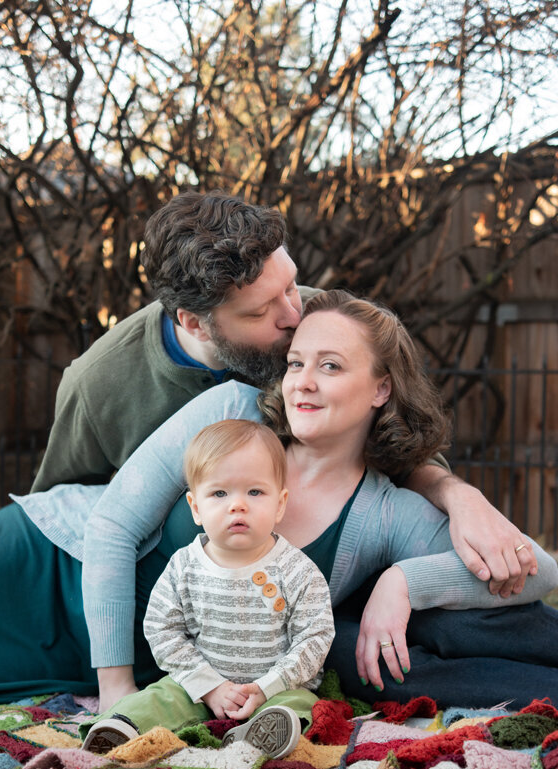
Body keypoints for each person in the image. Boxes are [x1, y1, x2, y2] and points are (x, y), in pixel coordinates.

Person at [0, 291, 556, 711]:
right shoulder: (234, 410)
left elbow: (539, 571)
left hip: (140, 655)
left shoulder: (385, 513)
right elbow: (113, 525)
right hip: (52, 562)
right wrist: (114, 687)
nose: (302, 380)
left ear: (381, 388)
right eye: (296, 362)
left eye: (330, 365)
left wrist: (404, 582)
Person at [30, 190, 536, 600]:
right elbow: (67, 510)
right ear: (195, 323)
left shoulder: (320, 322)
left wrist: (460, 496)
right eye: (260, 312)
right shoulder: (99, 383)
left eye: (290, 286)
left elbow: (398, 445)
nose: (294, 315)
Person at [80, 419, 334, 757]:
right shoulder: (185, 567)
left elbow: (315, 638)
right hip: (198, 687)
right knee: (161, 697)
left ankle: (261, 732)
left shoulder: (298, 571)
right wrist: (209, 686)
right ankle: (121, 727)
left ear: (280, 504)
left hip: (273, 688)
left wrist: (267, 686)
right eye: (219, 493)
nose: (237, 505)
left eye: (255, 492)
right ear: (196, 508)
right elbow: (161, 629)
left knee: (302, 703)